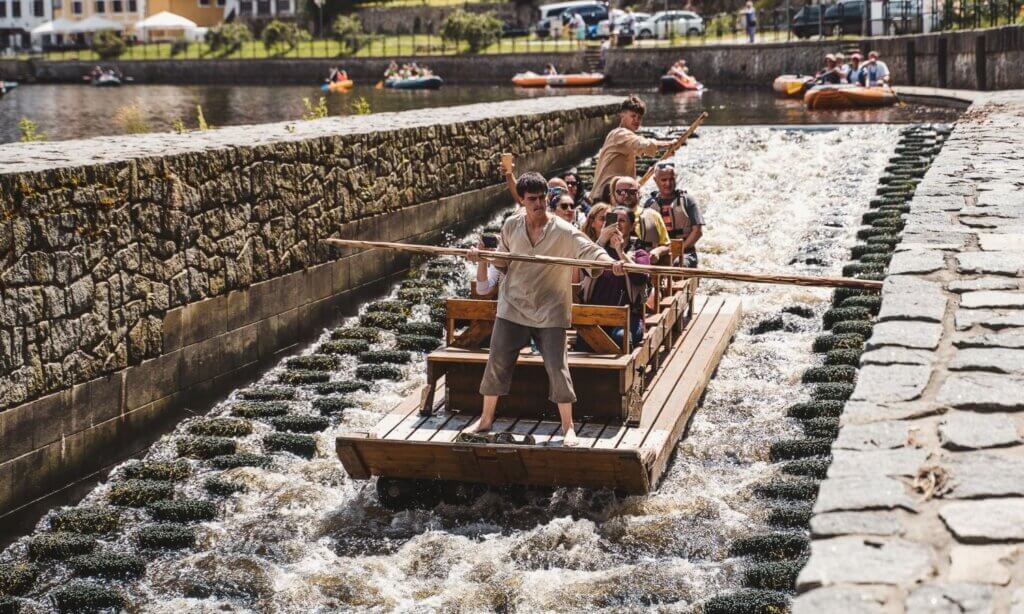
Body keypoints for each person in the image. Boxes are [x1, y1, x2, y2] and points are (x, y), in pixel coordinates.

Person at [467, 172, 625, 447]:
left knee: (557, 367)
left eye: (542, 198)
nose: (539, 204)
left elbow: (588, 250)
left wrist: (610, 260)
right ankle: (486, 419)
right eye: (532, 199)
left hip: (550, 308)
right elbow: (502, 264)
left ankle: (568, 428)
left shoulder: (562, 231)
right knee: (497, 363)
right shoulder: (511, 226)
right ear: (523, 201)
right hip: (513, 306)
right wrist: (481, 258)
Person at [578, 206, 651, 349]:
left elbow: (640, 278)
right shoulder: (597, 250)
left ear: (631, 226)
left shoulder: (639, 253)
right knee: (584, 341)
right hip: (596, 315)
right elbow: (586, 270)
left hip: (628, 316)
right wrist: (602, 239)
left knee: (620, 338)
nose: (617, 225)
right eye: (613, 220)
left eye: (622, 221)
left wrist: (620, 252)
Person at [591, 96, 673, 202]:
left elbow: (640, 148)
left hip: (612, 195)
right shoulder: (620, 134)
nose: (636, 120)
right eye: (633, 116)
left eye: (639, 117)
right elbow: (643, 144)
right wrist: (669, 144)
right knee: (615, 218)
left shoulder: (621, 136)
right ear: (622, 115)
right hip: (607, 197)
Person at [644, 162, 704, 267]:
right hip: (657, 251)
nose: (668, 183)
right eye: (663, 180)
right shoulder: (649, 204)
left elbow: (697, 231)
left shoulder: (687, 200)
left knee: (678, 265)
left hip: (685, 252)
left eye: (671, 179)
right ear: (655, 180)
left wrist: (678, 250)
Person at [611, 175, 671, 265]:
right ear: (615, 194)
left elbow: (667, 245)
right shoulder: (606, 216)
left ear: (639, 193)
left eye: (631, 191)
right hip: (612, 267)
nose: (626, 195)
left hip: (647, 270)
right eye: (621, 192)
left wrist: (658, 251)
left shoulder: (653, 215)